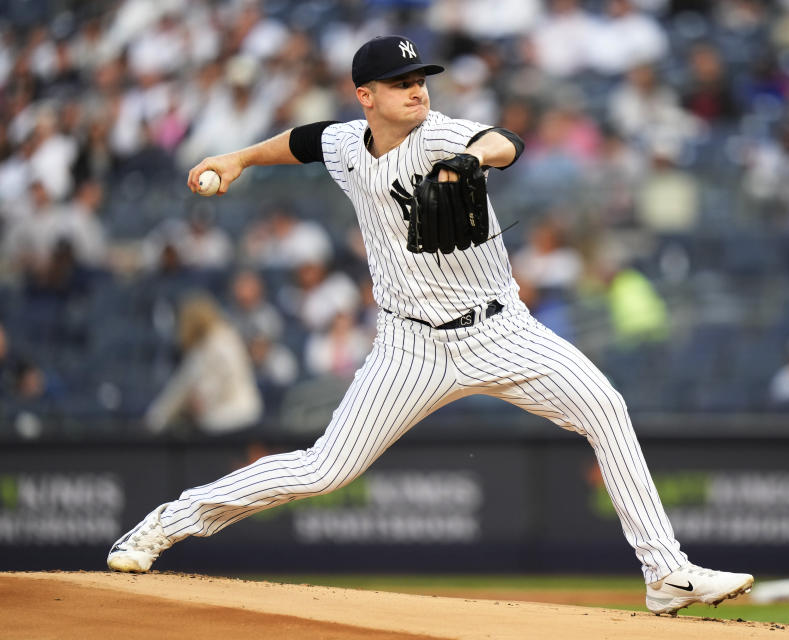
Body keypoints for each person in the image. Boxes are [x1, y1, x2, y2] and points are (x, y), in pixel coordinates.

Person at [106, 35, 752, 616]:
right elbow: (303, 141)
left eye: (421, 78)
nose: (418, 88)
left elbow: (505, 141)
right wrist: (240, 158)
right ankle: (169, 521)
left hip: (502, 332)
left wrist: (469, 160)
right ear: (366, 96)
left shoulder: (441, 135)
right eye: (401, 82)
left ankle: (665, 574)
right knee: (324, 469)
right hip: (409, 345)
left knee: (607, 409)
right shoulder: (345, 146)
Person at [144, 294, 263, 436]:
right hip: (235, 417)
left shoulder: (218, 342)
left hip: (233, 419)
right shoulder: (214, 342)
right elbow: (183, 386)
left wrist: (157, 419)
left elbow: (221, 378)